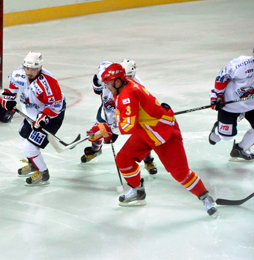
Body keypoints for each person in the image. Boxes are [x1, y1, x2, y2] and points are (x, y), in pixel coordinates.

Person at [93, 64, 218, 218]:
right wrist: (104, 127)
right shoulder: (122, 89)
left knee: (180, 173)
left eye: (108, 83)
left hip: (164, 133)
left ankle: (205, 197)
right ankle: (138, 191)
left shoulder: (128, 94)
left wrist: (106, 130)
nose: (106, 87)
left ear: (118, 82)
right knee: (123, 159)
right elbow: (124, 118)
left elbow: (127, 127)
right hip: (147, 131)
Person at [83, 59, 158, 176]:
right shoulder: (107, 72)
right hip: (107, 110)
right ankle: (95, 150)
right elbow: (97, 86)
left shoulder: (137, 86)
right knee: (97, 131)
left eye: (129, 77)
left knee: (142, 137)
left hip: (126, 114)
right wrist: (97, 84)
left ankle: (148, 160)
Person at [1, 52, 66, 186]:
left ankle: (43, 172)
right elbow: (10, 91)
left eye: (34, 69)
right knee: (23, 136)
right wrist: (8, 100)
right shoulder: (18, 74)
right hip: (31, 114)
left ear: (40, 68)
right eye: (27, 68)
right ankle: (33, 164)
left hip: (52, 115)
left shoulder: (48, 82)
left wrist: (44, 117)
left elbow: (56, 104)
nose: (30, 72)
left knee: (30, 146)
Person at [208, 50, 254, 160]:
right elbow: (222, 76)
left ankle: (240, 149)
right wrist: (217, 96)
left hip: (252, 105)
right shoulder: (241, 65)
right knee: (226, 137)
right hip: (230, 104)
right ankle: (217, 130)